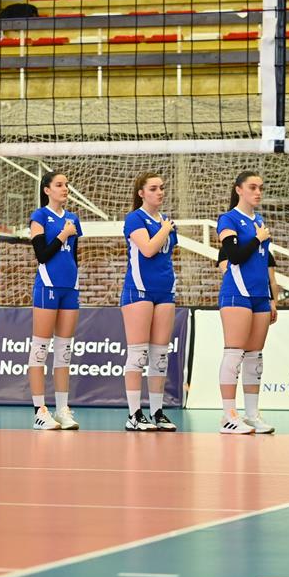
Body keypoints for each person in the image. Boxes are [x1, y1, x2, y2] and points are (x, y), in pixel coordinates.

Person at [215, 170, 279, 435]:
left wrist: (271, 298)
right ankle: (229, 416)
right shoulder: (228, 219)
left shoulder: (259, 220)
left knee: (255, 356)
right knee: (234, 352)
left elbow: (263, 264)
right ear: (239, 189)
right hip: (237, 293)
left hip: (260, 296)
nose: (258, 192)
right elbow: (234, 255)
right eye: (252, 187)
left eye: (260, 187)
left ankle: (252, 415)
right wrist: (257, 239)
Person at [121, 173, 178, 432]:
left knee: (160, 355)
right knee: (138, 354)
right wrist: (165, 229)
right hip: (139, 291)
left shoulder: (166, 221)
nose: (159, 192)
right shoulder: (135, 218)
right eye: (153, 188)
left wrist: (166, 227)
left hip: (165, 292)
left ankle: (157, 412)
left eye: (161, 188)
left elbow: (165, 256)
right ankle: (134, 414)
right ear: (141, 193)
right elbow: (147, 249)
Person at [28, 171, 82, 431]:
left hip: (69, 288)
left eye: (66, 185)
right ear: (47, 190)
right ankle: (39, 410)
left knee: (64, 351)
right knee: (40, 349)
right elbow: (41, 254)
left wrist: (76, 281)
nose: (65, 189)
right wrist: (62, 234)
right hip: (47, 287)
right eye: (59, 185)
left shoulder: (73, 218)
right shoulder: (39, 216)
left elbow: (74, 256)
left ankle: (62, 409)